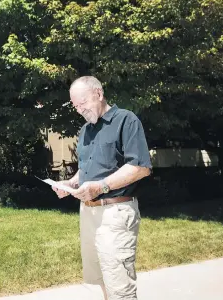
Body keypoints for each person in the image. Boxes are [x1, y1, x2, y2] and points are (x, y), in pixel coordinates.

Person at [52, 76, 152, 300]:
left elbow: (140, 167)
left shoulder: (126, 120)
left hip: (115, 213)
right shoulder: (86, 130)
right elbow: (87, 169)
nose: (80, 109)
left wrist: (101, 186)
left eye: (83, 102)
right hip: (88, 213)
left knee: (120, 287)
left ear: (98, 93)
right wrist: (70, 183)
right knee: (102, 280)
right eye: (76, 106)